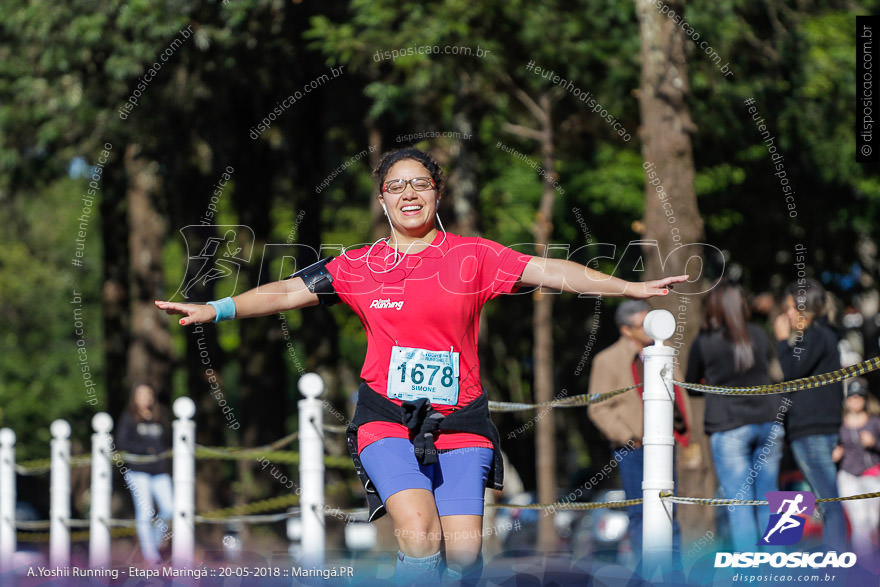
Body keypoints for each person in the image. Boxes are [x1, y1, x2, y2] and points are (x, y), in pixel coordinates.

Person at [156, 148, 686, 583]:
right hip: (385, 415)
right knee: (417, 529)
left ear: (437, 192)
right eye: (396, 186)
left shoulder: (474, 256)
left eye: (420, 184)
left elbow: (550, 270)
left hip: (462, 421)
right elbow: (286, 291)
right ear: (383, 199)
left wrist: (628, 286)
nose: (409, 193)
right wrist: (216, 308)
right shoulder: (358, 264)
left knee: (460, 553)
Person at [685, 280, 784, 551]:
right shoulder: (759, 334)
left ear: (713, 307)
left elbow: (690, 383)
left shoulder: (705, 341)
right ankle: (780, 570)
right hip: (768, 420)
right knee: (770, 500)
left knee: (740, 505)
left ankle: (749, 573)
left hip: (728, 424)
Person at [588, 299, 690, 558]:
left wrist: (683, 433)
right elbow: (597, 407)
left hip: (666, 444)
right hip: (632, 448)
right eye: (644, 325)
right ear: (626, 329)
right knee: (640, 512)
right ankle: (646, 572)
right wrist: (627, 436)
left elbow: (680, 395)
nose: (651, 330)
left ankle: (672, 573)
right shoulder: (607, 360)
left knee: (669, 508)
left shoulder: (665, 352)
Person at [774, 278, 846, 550]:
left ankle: (836, 568)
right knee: (823, 500)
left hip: (813, 430)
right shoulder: (824, 335)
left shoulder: (816, 335)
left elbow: (792, 371)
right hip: (815, 429)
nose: (788, 315)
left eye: (792, 308)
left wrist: (782, 341)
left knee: (829, 502)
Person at [115, 383, 173, 565]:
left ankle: (155, 541)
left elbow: (167, 442)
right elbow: (123, 444)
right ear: (134, 397)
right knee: (145, 511)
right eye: (141, 394)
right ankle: (150, 554)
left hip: (159, 471)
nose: (145, 398)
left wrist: (160, 454)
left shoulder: (159, 418)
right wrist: (146, 450)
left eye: (148, 394)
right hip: (138, 471)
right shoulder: (128, 418)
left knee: (170, 508)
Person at [832, 378, 880, 563]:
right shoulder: (839, 423)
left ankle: (871, 557)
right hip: (848, 475)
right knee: (860, 521)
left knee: (873, 520)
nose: (855, 400)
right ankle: (863, 562)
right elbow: (832, 447)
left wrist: (873, 442)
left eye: (860, 396)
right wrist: (836, 452)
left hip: (872, 474)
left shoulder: (875, 421)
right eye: (852, 397)